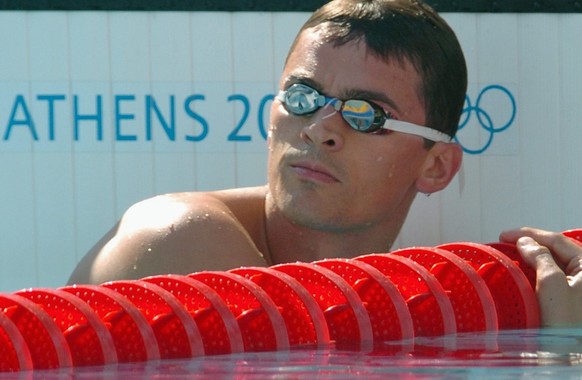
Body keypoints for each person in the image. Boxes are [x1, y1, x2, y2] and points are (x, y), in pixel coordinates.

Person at [68, 0, 582, 327]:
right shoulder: (183, 239)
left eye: (366, 114)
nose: (319, 128)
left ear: (436, 167)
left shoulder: (359, 299)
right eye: (303, 96)